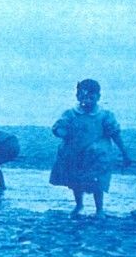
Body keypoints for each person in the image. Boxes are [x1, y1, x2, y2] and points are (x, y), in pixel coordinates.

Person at [49, 79, 131, 217]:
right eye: (82, 96)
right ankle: (79, 204)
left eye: (90, 97)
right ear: (77, 96)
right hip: (75, 153)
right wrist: (61, 132)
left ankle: (99, 209)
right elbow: (58, 127)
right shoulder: (71, 113)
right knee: (75, 180)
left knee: (97, 181)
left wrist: (124, 153)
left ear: (98, 97)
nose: (86, 100)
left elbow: (115, 134)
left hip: (96, 155)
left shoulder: (104, 115)